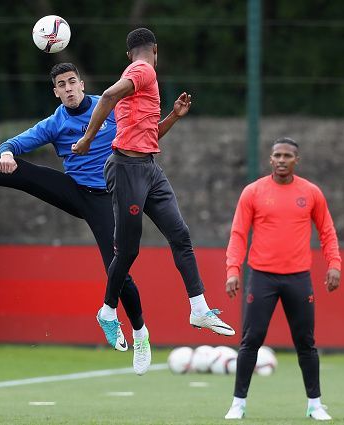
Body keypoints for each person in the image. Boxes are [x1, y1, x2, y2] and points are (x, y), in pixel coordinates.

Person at [0, 63, 153, 373]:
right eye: (62, 84)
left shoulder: (109, 106)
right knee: (19, 170)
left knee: (117, 268)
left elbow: (145, 132)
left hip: (110, 199)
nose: (69, 88)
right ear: (56, 92)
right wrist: (6, 153)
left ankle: (140, 334)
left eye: (73, 81)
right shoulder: (55, 123)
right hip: (76, 191)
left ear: (82, 85)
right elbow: (14, 143)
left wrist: (172, 118)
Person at [71, 27, 235, 372]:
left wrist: (173, 116)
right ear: (153, 49)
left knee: (180, 234)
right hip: (127, 169)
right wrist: (87, 138)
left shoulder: (141, 77)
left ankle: (199, 307)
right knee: (129, 250)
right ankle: (108, 309)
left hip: (148, 166)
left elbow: (148, 134)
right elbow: (107, 97)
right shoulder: (143, 71)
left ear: (128, 52)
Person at [223, 138, 341, 421]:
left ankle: (315, 404)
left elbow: (327, 231)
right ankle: (238, 403)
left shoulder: (311, 193)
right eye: (277, 155)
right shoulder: (253, 192)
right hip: (262, 277)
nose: (282, 160)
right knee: (251, 340)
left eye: (288, 155)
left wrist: (334, 264)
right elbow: (238, 234)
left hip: (298, 279)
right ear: (270, 159)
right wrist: (232, 270)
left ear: (296, 161)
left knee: (306, 343)